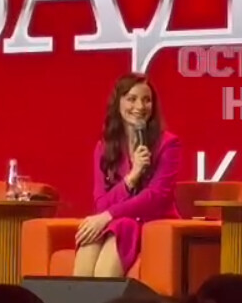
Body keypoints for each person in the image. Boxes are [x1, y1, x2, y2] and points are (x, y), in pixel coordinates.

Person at [73, 72, 181, 277]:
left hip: (153, 223)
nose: (140, 106)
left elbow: (157, 197)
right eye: (132, 99)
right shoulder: (104, 148)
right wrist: (131, 177)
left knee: (121, 225)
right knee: (93, 232)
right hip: (119, 222)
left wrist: (108, 215)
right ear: (118, 103)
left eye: (146, 100)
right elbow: (101, 204)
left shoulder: (168, 144)